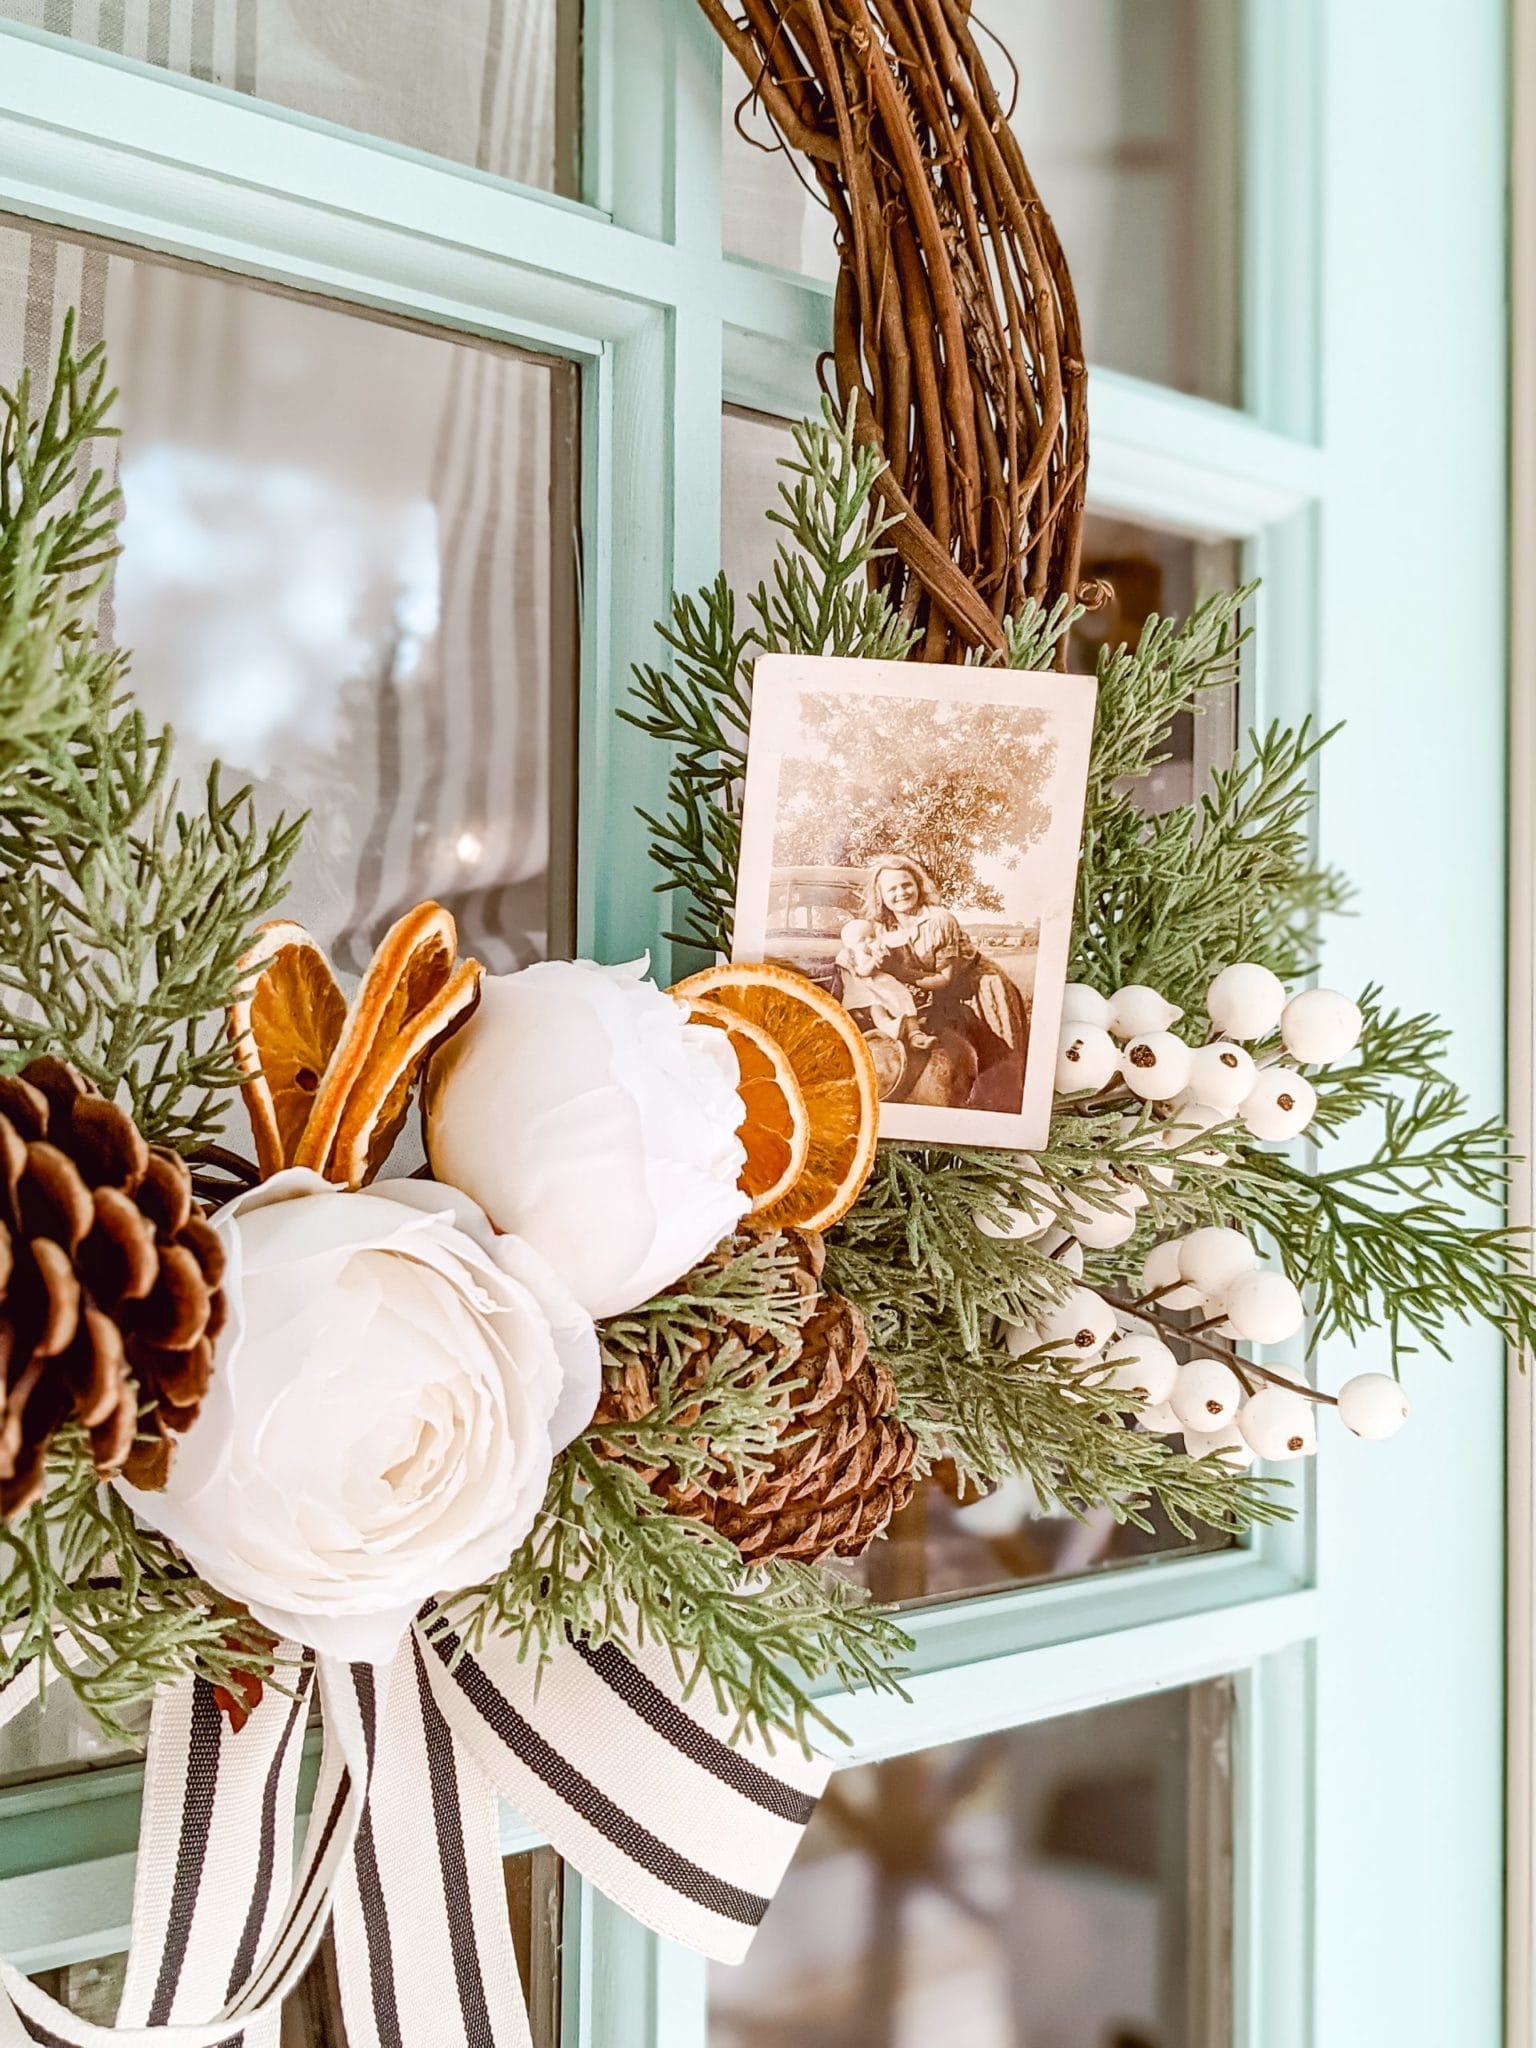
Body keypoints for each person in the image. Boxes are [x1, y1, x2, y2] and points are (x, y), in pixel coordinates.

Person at [858, 853, 1027, 1111]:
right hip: (941, 995)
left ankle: (1002, 1121)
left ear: (917, 885)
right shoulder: (881, 930)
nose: (901, 892)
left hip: (977, 986)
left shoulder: (939, 920)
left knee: (998, 1060)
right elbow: (858, 962)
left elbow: (945, 978)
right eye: (891, 888)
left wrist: (899, 971)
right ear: (880, 896)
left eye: (906, 884)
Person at [836, 917, 936, 1050]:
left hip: (882, 984)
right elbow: (863, 972)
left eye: (872, 936)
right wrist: (874, 960)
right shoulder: (855, 954)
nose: (869, 940)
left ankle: (915, 1034)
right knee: (876, 1007)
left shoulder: (874, 949)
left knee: (904, 998)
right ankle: (888, 1027)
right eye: (862, 940)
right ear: (850, 946)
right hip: (867, 989)